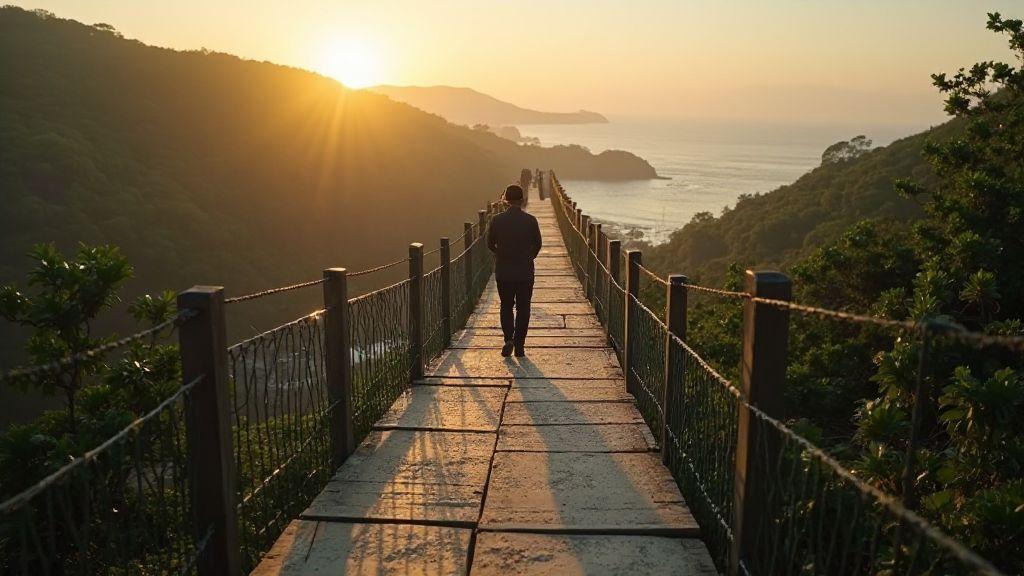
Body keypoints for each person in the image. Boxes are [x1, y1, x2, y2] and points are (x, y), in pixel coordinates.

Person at [487, 183, 542, 357]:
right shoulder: (531, 220)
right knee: (523, 308)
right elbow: (538, 244)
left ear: (505, 200)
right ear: (522, 199)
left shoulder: (497, 220)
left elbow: (490, 244)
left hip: (504, 271)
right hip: (525, 271)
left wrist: (500, 255)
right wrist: (528, 258)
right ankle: (519, 346)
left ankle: (508, 339)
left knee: (506, 306)